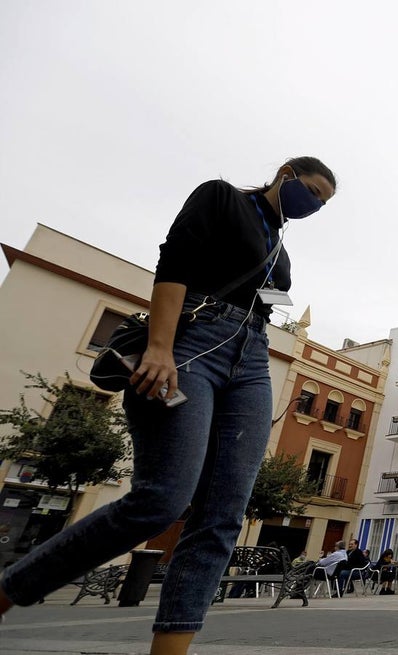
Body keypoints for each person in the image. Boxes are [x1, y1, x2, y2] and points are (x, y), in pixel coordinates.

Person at [0, 157, 337, 654]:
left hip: (252, 361)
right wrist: (159, 346)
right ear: (285, 173)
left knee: (223, 515)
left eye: (324, 204)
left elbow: (265, 304)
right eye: (311, 191)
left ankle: (171, 649)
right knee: (162, 499)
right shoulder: (221, 197)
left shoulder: (280, 251)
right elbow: (175, 262)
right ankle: (11, 589)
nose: (314, 206)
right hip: (193, 343)